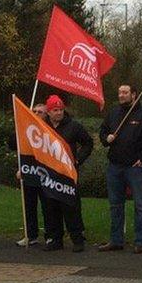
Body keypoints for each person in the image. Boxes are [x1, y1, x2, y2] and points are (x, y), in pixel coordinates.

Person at [98, 84, 142, 254]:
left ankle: (140, 241)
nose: (121, 95)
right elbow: (102, 132)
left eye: (125, 92)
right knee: (115, 205)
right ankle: (116, 240)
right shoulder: (113, 112)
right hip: (115, 166)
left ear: (134, 94)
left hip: (135, 168)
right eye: (119, 92)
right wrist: (106, 139)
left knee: (141, 205)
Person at [43, 95, 93, 252]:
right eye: (55, 110)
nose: (58, 113)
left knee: (71, 207)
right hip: (49, 173)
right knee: (51, 207)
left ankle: (77, 239)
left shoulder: (74, 126)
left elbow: (88, 143)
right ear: (48, 112)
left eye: (61, 110)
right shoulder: (42, 126)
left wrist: (78, 159)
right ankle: (55, 239)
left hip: (68, 174)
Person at [14, 102, 51, 247]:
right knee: (29, 206)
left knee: (47, 206)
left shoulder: (48, 130)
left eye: (40, 112)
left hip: (45, 174)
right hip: (29, 172)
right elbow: (17, 148)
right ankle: (30, 235)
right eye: (34, 111)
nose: (36, 114)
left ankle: (50, 235)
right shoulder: (26, 129)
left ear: (46, 115)